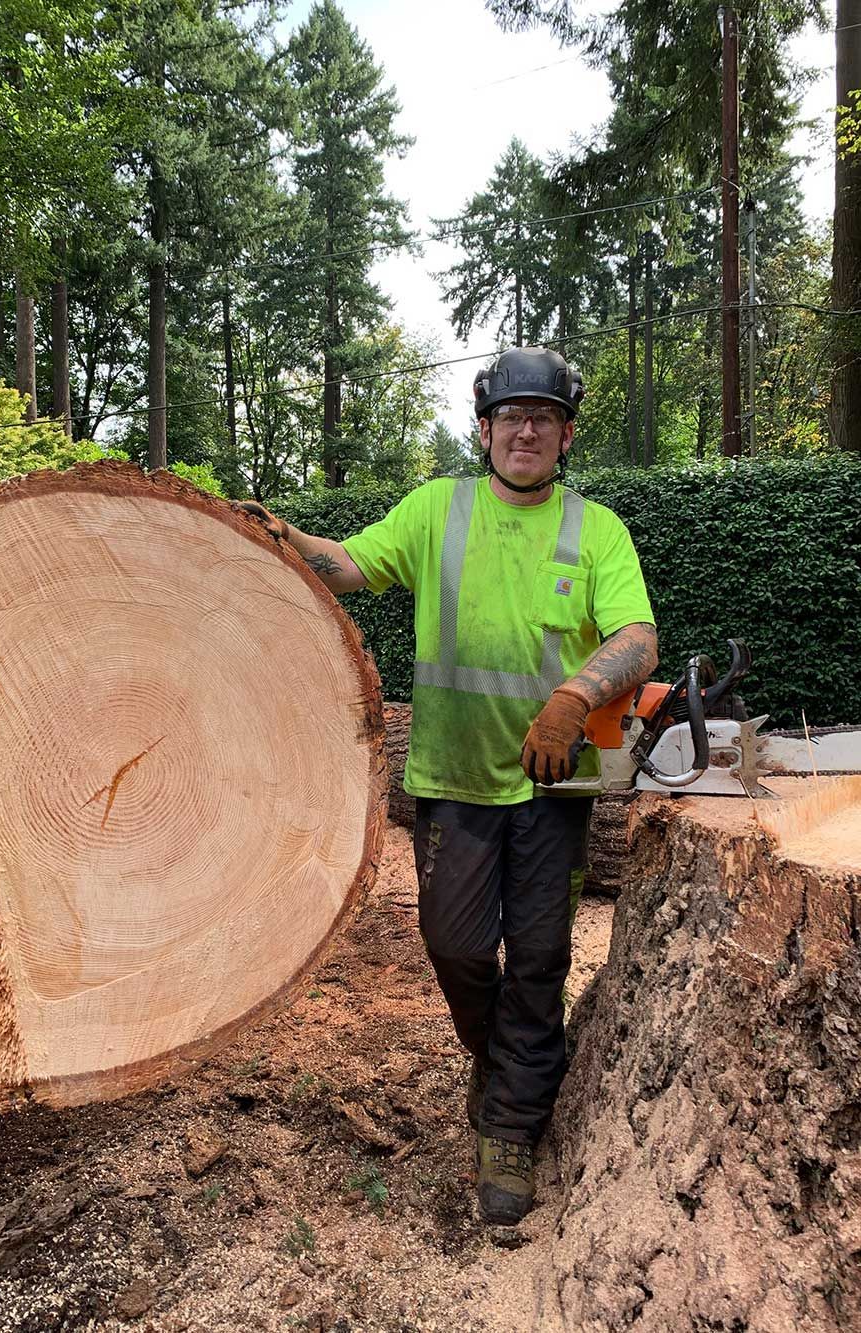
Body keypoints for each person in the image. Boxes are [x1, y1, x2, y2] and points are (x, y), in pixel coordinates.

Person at [239, 346, 657, 1226]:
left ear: (566, 434)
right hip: (455, 782)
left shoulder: (598, 529)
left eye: (543, 417)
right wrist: (275, 538)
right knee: (458, 947)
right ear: (486, 430)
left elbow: (637, 637)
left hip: (553, 787)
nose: (527, 429)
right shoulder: (440, 509)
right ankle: (503, 1058)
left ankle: (509, 1125)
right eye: (512, 416)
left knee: (539, 958)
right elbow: (349, 565)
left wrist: (577, 696)